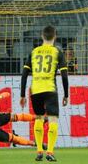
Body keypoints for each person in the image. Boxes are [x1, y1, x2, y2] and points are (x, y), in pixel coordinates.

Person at [20, 25, 69, 162]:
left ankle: (39, 151)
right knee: (53, 119)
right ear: (55, 37)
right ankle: (50, 152)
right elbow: (64, 76)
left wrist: (22, 95)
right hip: (50, 89)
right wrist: (66, 94)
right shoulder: (57, 52)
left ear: (42, 36)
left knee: (39, 118)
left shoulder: (34, 52)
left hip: (35, 90)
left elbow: (24, 75)